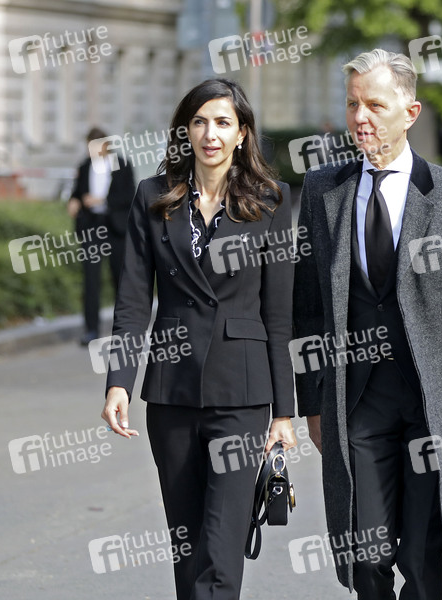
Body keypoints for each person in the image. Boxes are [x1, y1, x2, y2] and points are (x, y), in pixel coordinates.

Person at [293, 49, 442, 599]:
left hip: (433, 405)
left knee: (421, 555)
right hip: (357, 402)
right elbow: (308, 307)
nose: (360, 117)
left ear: (410, 113)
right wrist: (313, 404)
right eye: (352, 105)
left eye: (375, 105)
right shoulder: (322, 191)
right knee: (366, 555)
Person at [100, 78, 297, 600]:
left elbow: (278, 315)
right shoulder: (153, 197)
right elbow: (133, 300)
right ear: (185, 131)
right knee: (186, 549)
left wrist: (284, 413)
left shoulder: (270, 201)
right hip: (172, 391)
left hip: (242, 395)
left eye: (223, 123)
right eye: (200, 122)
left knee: (222, 550)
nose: (211, 134)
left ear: (242, 133)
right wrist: (119, 382)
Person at [68, 126, 136, 345]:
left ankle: (124, 330)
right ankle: (91, 329)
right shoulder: (84, 166)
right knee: (90, 280)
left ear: (106, 145)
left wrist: (103, 201)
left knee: (120, 279)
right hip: (91, 227)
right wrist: (74, 201)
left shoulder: (122, 165)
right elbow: (77, 191)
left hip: (115, 228)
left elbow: (129, 195)